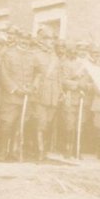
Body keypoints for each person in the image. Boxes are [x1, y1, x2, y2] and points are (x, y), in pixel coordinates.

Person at [0, 29, 35, 161]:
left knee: (20, 125)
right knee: (7, 124)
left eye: (27, 41)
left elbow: (38, 74)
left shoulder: (32, 56)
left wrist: (33, 86)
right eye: (22, 40)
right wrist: (14, 88)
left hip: (26, 98)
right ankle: (2, 152)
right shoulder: (9, 54)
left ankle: (14, 151)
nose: (25, 42)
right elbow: (3, 74)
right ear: (18, 39)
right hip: (11, 97)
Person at [32, 26, 63, 161]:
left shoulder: (54, 56)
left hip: (54, 93)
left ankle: (42, 149)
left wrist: (61, 91)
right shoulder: (34, 54)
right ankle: (39, 151)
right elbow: (31, 73)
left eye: (52, 39)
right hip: (41, 92)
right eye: (47, 38)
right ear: (41, 40)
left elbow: (59, 76)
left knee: (49, 122)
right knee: (41, 122)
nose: (51, 41)